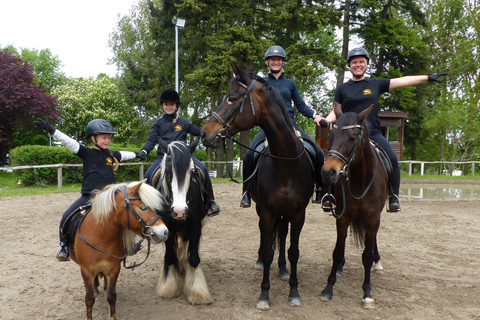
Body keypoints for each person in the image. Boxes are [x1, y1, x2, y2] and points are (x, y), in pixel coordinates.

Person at [320, 47, 448, 212]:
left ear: (366, 64)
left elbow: (402, 81)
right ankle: (327, 195)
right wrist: (326, 120)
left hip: (372, 133)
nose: (358, 65)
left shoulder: (375, 84)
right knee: (329, 161)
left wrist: (427, 77)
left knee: (393, 159)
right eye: (354, 62)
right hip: (348, 136)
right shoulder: (343, 88)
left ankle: (393, 196)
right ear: (350, 65)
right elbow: (335, 110)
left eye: (361, 62)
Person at [34, 118, 144, 261]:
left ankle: (129, 244)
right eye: (104, 137)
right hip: (89, 196)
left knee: (128, 214)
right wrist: (52, 131)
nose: (107, 140)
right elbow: (68, 141)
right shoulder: (85, 152)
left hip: (110, 197)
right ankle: (64, 246)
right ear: (93, 138)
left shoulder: (111, 155)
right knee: (66, 216)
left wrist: (137, 154)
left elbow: (124, 154)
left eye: (109, 138)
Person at [240, 45, 327, 208]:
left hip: (290, 125)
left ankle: (321, 190)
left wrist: (315, 115)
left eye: (278, 60)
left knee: (316, 151)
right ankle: (246, 192)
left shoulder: (290, 84)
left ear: (283, 63)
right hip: (268, 127)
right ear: (267, 62)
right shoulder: (261, 83)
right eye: (273, 59)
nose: (276, 62)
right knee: (250, 154)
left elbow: (300, 105)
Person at [136, 88, 220, 217]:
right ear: (162, 106)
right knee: (148, 176)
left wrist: (211, 132)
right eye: (166, 104)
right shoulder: (158, 123)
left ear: (176, 106)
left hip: (184, 157)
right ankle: (144, 205)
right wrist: (144, 151)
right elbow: (151, 140)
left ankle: (211, 201)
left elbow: (199, 132)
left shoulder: (184, 122)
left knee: (203, 169)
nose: (169, 107)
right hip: (164, 157)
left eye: (172, 104)